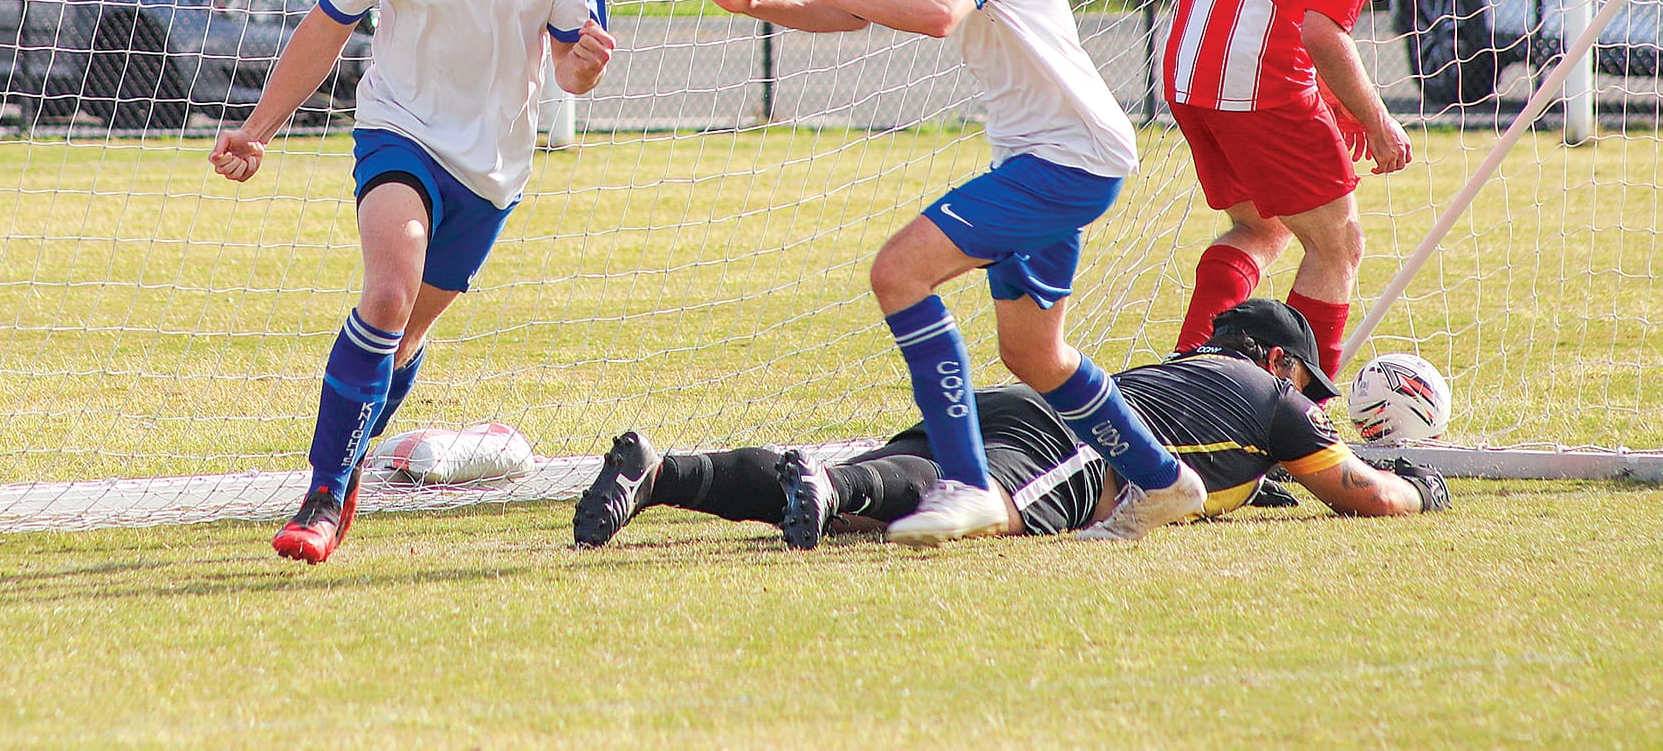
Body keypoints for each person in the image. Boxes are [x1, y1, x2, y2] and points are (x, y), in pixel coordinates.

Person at [673, 0, 1201, 548]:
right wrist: (757, 3)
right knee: (1031, 350)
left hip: (1070, 155)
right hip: (1045, 152)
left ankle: (967, 485)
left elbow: (939, 13)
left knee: (899, 272)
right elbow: (848, 7)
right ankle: (1163, 482)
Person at [211, 0, 614, 563]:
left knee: (402, 340)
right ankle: (324, 494)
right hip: (400, 133)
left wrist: (585, 64)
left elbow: (574, 64)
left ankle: (348, 457)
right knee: (387, 295)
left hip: (494, 167)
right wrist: (258, 129)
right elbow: (327, 27)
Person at [571, 299, 1449, 549]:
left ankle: (666, 471)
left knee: (853, 500)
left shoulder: (1181, 373)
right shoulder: (1271, 398)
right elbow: (1362, 494)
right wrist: (1414, 484)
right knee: (948, 496)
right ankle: (830, 481)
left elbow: (1233, 477)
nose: (1311, 398)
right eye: (1306, 379)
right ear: (1275, 363)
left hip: (1026, 405)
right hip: (1077, 449)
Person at [1165, 0, 1494, 376]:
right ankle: (1295, 420)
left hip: (1189, 63)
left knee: (1260, 229)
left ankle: (1184, 384)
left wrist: (1333, 98)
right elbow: (1322, 32)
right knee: (1338, 244)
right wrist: (1378, 119)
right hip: (1255, 77)